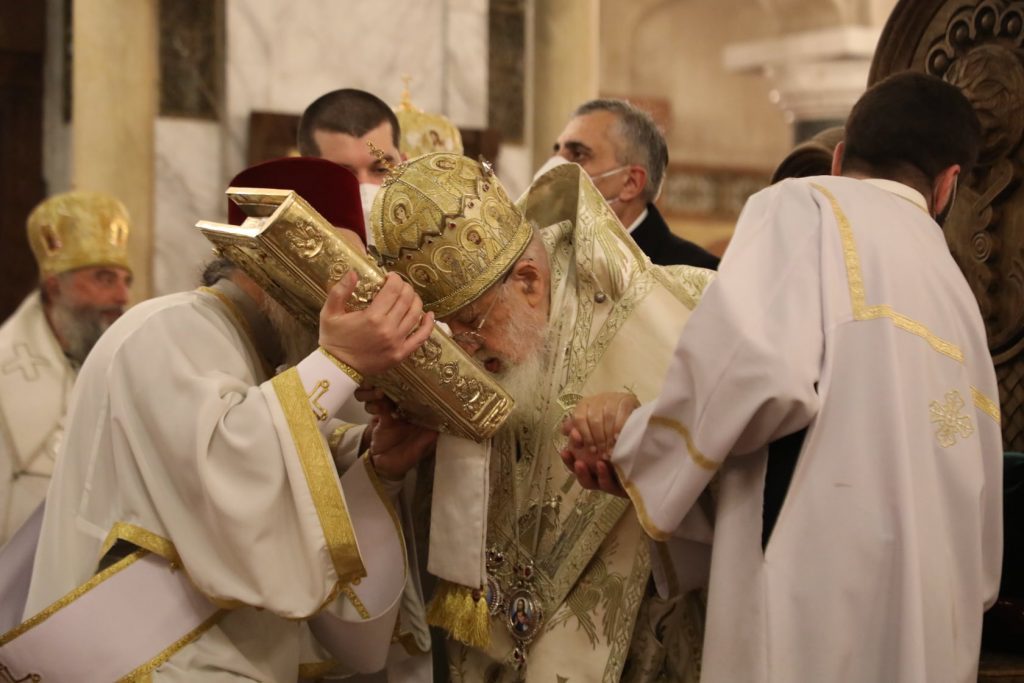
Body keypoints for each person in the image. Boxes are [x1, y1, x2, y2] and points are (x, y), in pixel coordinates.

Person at [561, 72, 1003, 682]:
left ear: (841, 156)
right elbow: (978, 509)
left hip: (813, 604)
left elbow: (755, 372)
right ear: (948, 184)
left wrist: (637, 450)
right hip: (932, 622)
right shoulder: (956, 290)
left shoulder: (807, 205)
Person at [11, 158, 437, 680]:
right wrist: (338, 364)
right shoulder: (167, 328)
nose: (352, 300)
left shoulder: (254, 357)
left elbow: (274, 463)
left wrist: (375, 460)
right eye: (340, 274)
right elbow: (227, 471)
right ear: (272, 262)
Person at [368, 152, 715, 682]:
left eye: (470, 324)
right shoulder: (483, 350)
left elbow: (751, 499)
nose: (464, 351)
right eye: (446, 334)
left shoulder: (688, 312)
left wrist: (652, 438)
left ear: (529, 281)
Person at [0, 191, 132, 546]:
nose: (122, 297)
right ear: (55, 284)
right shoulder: (4, 369)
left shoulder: (126, 364)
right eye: (105, 278)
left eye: (125, 281)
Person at [549, 98, 719, 269]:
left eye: (578, 154)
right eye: (557, 153)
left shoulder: (695, 276)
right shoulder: (545, 261)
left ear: (631, 183)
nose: (553, 168)